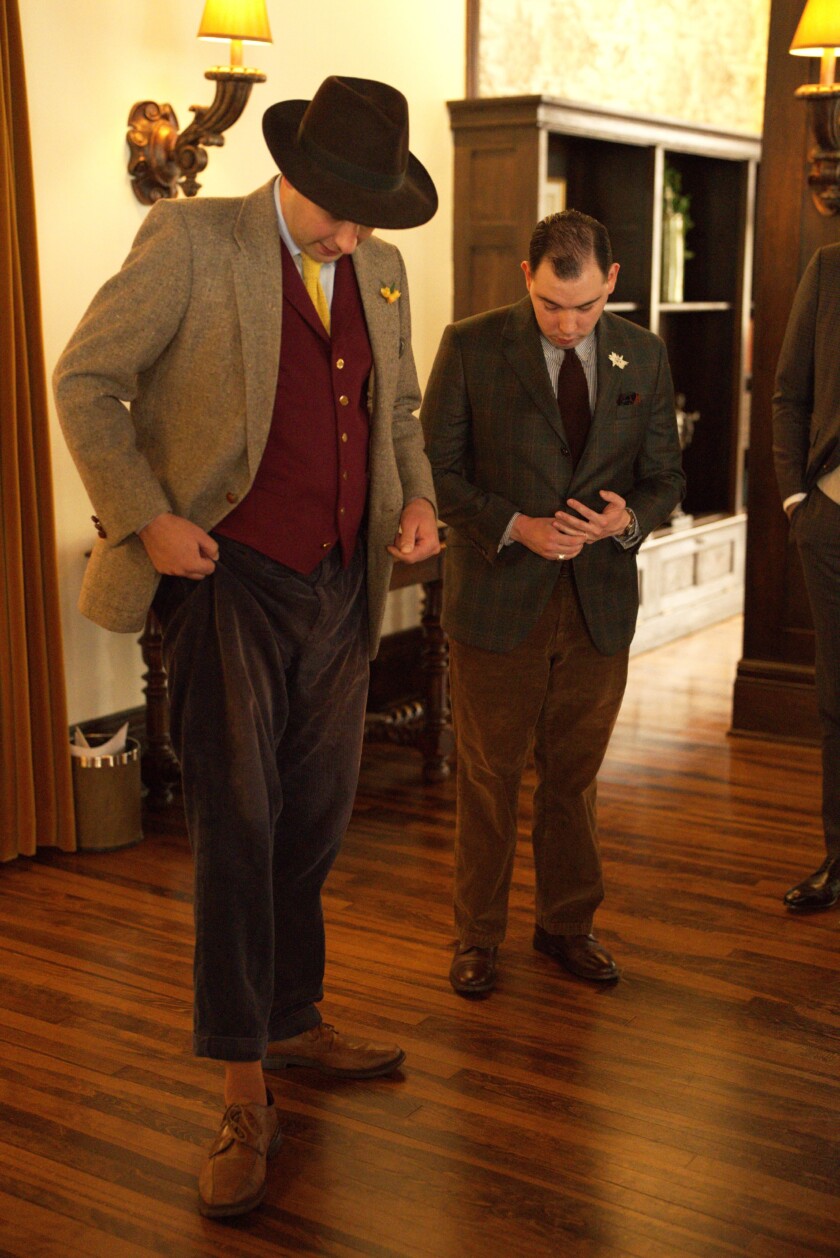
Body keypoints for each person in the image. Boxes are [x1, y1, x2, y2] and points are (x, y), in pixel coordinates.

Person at [53, 75, 441, 1218]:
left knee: (317, 818)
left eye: (375, 210)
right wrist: (146, 516)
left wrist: (412, 502)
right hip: (224, 580)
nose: (358, 229)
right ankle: (239, 1085)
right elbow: (87, 382)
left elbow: (399, 404)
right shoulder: (191, 238)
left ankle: (294, 1016)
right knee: (238, 824)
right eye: (343, 205)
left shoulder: (380, 265)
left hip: (340, 581)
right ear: (297, 173)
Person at [420, 210, 684, 998]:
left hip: (599, 600)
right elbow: (435, 469)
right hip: (499, 599)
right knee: (488, 776)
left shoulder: (645, 351)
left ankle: (567, 925)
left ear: (611, 283)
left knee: (574, 777)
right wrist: (514, 525)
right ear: (525, 281)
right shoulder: (470, 345)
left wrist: (624, 521)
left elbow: (665, 478)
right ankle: (477, 937)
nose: (568, 325)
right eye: (549, 306)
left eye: (584, 307)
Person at [773, 242, 840, 913]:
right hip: (832, 521)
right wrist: (798, 498)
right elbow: (791, 390)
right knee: (836, 698)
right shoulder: (829, 266)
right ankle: (838, 860)